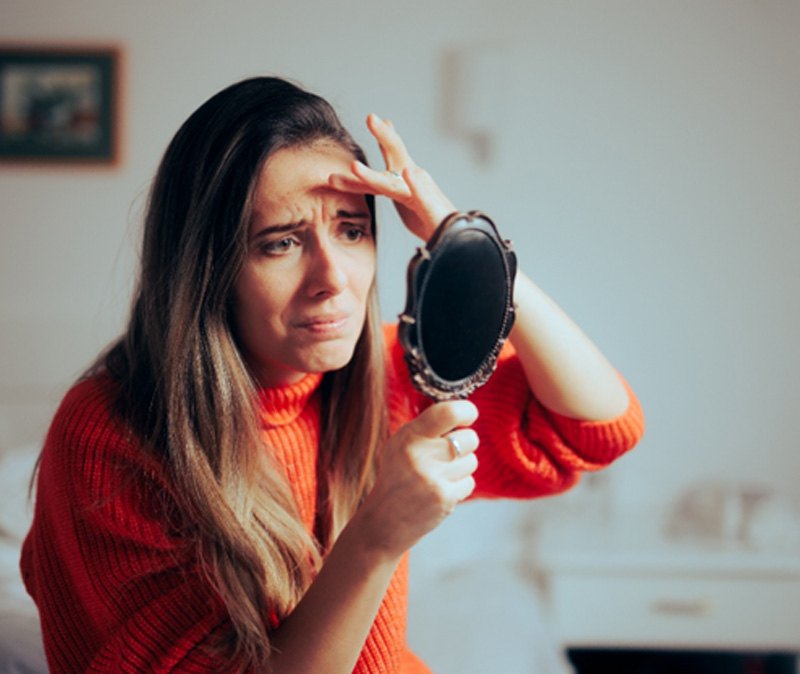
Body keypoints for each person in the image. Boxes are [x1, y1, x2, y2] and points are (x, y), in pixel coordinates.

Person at [20, 76, 644, 674]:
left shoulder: (390, 375)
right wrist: (376, 535)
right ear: (207, 268)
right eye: (280, 243)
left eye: (352, 231)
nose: (333, 280)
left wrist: (463, 238)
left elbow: (600, 427)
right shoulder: (112, 436)